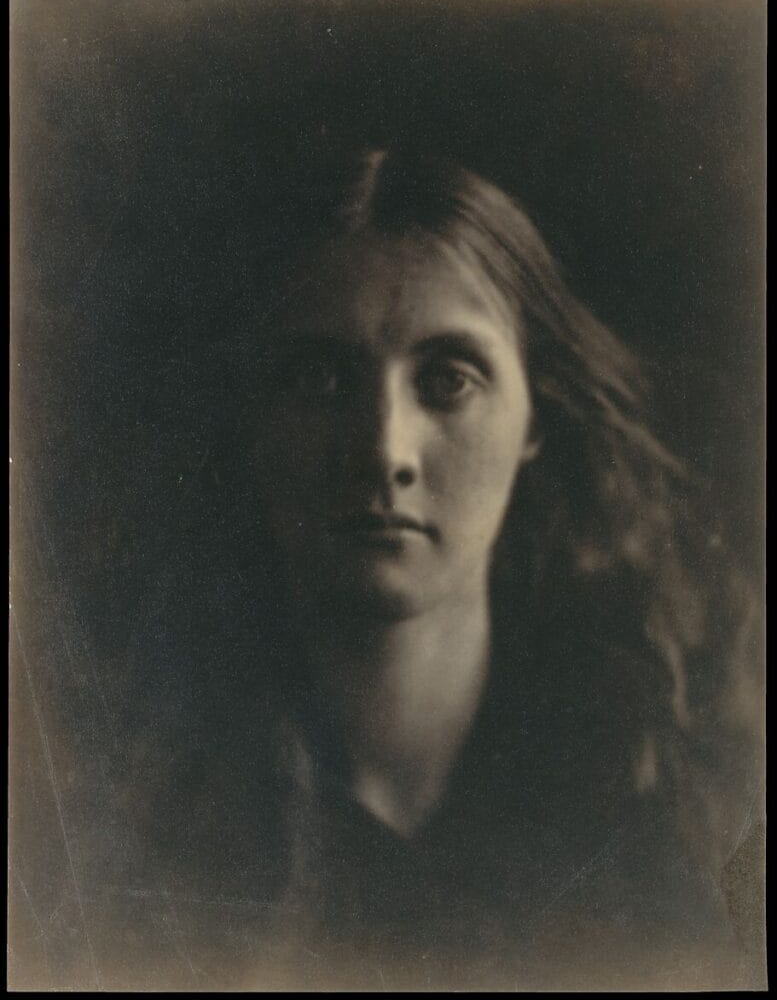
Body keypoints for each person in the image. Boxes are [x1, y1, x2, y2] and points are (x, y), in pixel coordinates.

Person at [76, 146, 763, 990]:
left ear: (535, 419)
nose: (383, 451)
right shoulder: (113, 813)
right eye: (321, 378)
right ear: (252, 415)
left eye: (447, 380)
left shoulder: (673, 808)